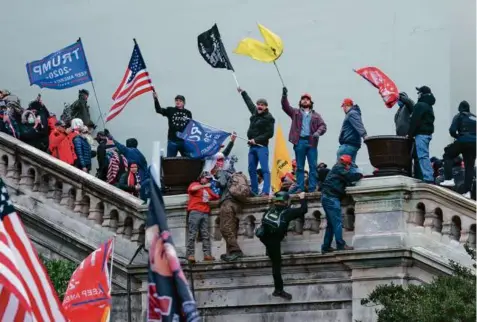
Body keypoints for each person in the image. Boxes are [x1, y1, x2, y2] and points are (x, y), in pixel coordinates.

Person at [255, 191, 308, 300]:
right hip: (274, 241)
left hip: (263, 237)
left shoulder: (270, 210)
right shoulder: (287, 212)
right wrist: (302, 198)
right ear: (286, 201)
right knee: (276, 265)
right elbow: (303, 210)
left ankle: (269, 251)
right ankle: (278, 290)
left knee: (271, 249)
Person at [281, 87, 327, 193]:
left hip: (312, 143)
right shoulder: (295, 113)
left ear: (311, 102)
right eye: (303, 99)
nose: (305, 100)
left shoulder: (316, 115)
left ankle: (312, 188)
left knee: (313, 166)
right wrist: (284, 96)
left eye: (307, 99)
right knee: (300, 167)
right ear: (300, 102)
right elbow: (285, 106)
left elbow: (323, 126)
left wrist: (317, 132)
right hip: (299, 142)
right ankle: (300, 188)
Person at [320, 155, 363, 253]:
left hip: (327, 197)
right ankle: (340, 244)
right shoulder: (339, 168)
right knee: (337, 222)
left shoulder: (338, 168)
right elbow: (351, 176)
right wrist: (360, 174)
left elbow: (347, 180)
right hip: (331, 198)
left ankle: (326, 247)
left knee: (331, 224)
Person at [237, 87, 275, 197]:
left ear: (266, 107)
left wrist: (256, 140)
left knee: (264, 169)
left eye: (262, 105)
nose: (259, 106)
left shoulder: (269, 118)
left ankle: (266, 191)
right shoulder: (254, 113)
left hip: (261, 147)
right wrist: (243, 92)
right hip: (252, 147)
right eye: (258, 104)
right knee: (251, 169)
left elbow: (270, 134)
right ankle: (254, 191)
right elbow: (248, 103)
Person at [440, 100, 476, 198]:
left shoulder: (459, 116)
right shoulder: (475, 118)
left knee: (447, 155)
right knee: (469, 167)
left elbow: (452, 130)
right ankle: (467, 192)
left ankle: (449, 179)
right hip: (474, 144)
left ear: (460, 109)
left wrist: (458, 137)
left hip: (463, 140)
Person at [186, 171, 219, 263]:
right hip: (195, 212)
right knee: (192, 234)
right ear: (201, 177)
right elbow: (192, 189)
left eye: (208, 179)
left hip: (205, 213)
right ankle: (190, 255)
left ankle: (207, 255)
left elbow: (216, 196)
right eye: (206, 178)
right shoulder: (195, 184)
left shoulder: (208, 189)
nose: (207, 180)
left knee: (205, 235)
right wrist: (205, 186)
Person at [407, 86, 436, 183]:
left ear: (422, 94)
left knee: (422, 156)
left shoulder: (420, 105)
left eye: (419, 92)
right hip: (427, 134)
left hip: (421, 134)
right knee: (424, 155)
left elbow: (415, 121)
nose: (418, 94)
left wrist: (410, 134)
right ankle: (428, 176)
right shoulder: (428, 105)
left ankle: (428, 177)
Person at [153, 91, 192, 157]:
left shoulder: (188, 113)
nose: (178, 102)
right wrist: (155, 99)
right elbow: (159, 110)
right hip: (172, 141)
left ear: (184, 103)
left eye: (180, 100)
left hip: (184, 141)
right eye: (176, 100)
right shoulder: (170, 110)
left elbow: (190, 126)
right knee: (170, 161)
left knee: (188, 160)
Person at [337, 98, 367, 163]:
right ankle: (357, 173)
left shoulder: (352, 113)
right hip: (352, 145)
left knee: (341, 166)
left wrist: (365, 136)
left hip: (348, 145)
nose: (343, 109)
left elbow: (359, 125)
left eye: (343, 107)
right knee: (351, 167)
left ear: (345, 106)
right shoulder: (353, 113)